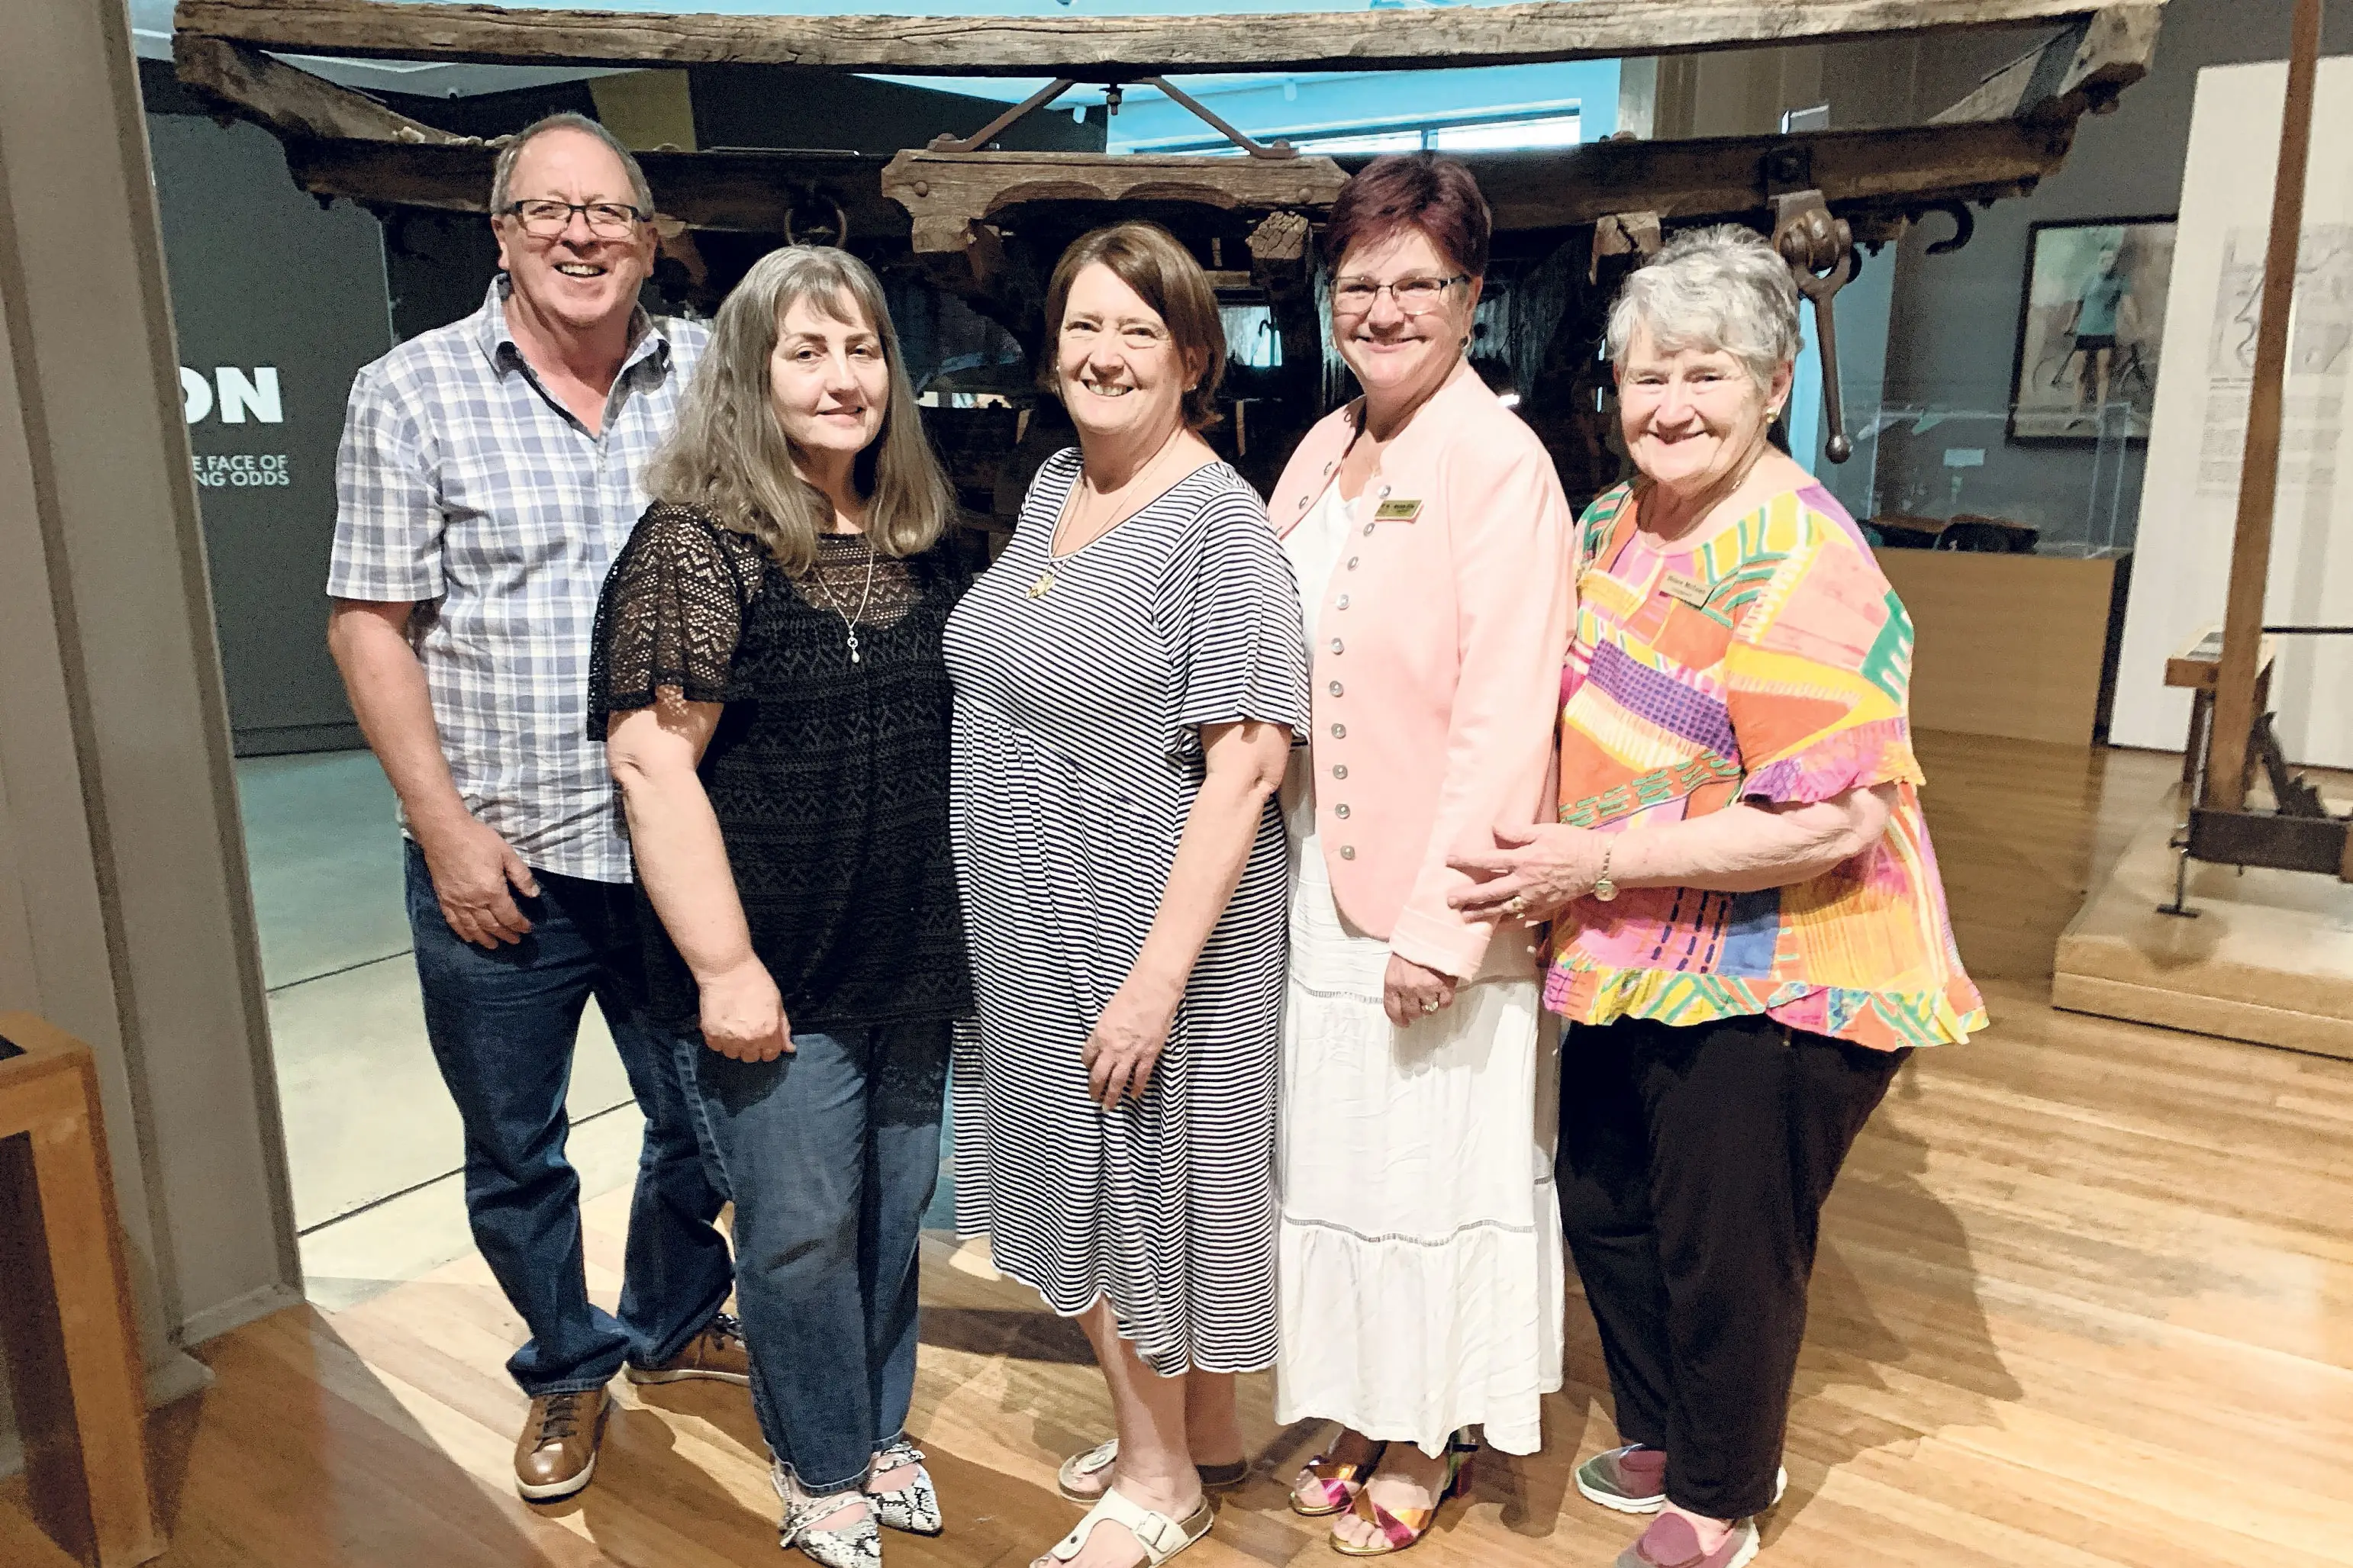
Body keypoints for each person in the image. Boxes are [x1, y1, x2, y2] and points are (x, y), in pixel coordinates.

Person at [1447, 224, 1987, 1568]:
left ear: (1771, 383)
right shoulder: (1607, 523)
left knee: (1727, 1243)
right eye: (1648, 376)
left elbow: (1829, 819)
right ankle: (1670, 1427)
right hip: (1635, 943)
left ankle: (1719, 1491)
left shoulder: (1806, 556)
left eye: (1707, 375)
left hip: (1789, 962)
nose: (1672, 406)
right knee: (1607, 1195)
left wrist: (1592, 861)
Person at [326, 112, 740, 1504]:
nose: (579, 234)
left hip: (679, 848)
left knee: (704, 1119)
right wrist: (445, 831)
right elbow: (370, 626)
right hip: (504, 857)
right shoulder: (412, 392)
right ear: (500, 232)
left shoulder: (712, 376)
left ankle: (673, 1315)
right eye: (548, 210)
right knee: (517, 1146)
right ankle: (567, 1359)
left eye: (607, 211)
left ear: (647, 238)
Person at [588, 245, 969, 1567]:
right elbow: (650, 765)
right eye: (805, 351)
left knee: (892, 1213)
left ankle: (874, 1424)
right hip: (774, 962)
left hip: (905, 949)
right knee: (800, 1234)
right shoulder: (695, 545)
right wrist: (724, 964)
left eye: (861, 349)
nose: (840, 377)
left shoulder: (917, 537)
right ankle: (819, 1463)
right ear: (749, 376)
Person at [943, 221, 1309, 1568]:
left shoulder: (1217, 525)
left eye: (1138, 331)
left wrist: (1154, 979)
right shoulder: (1058, 482)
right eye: (1082, 326)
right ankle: (1196, 1432)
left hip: (1139, 926)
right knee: (1093, 1175)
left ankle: (1160, 1486)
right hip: (1034, 911)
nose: (1103, 354)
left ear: (1193, 359)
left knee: (1133, 1191)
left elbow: (1248, 764)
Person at [1261, 152, 1574, 1557]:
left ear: (1471, 296)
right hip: (1314, 868)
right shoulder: (1322, 446)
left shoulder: (1497, 463)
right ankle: (1366, 1402)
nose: (1384, 311)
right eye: (1358, 284)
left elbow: (1507, 711)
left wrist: (1445, 923)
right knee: (1348, 1158)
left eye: (1417, 284)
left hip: (1433, 887)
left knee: (1432, 1164)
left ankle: (1432, 1426)